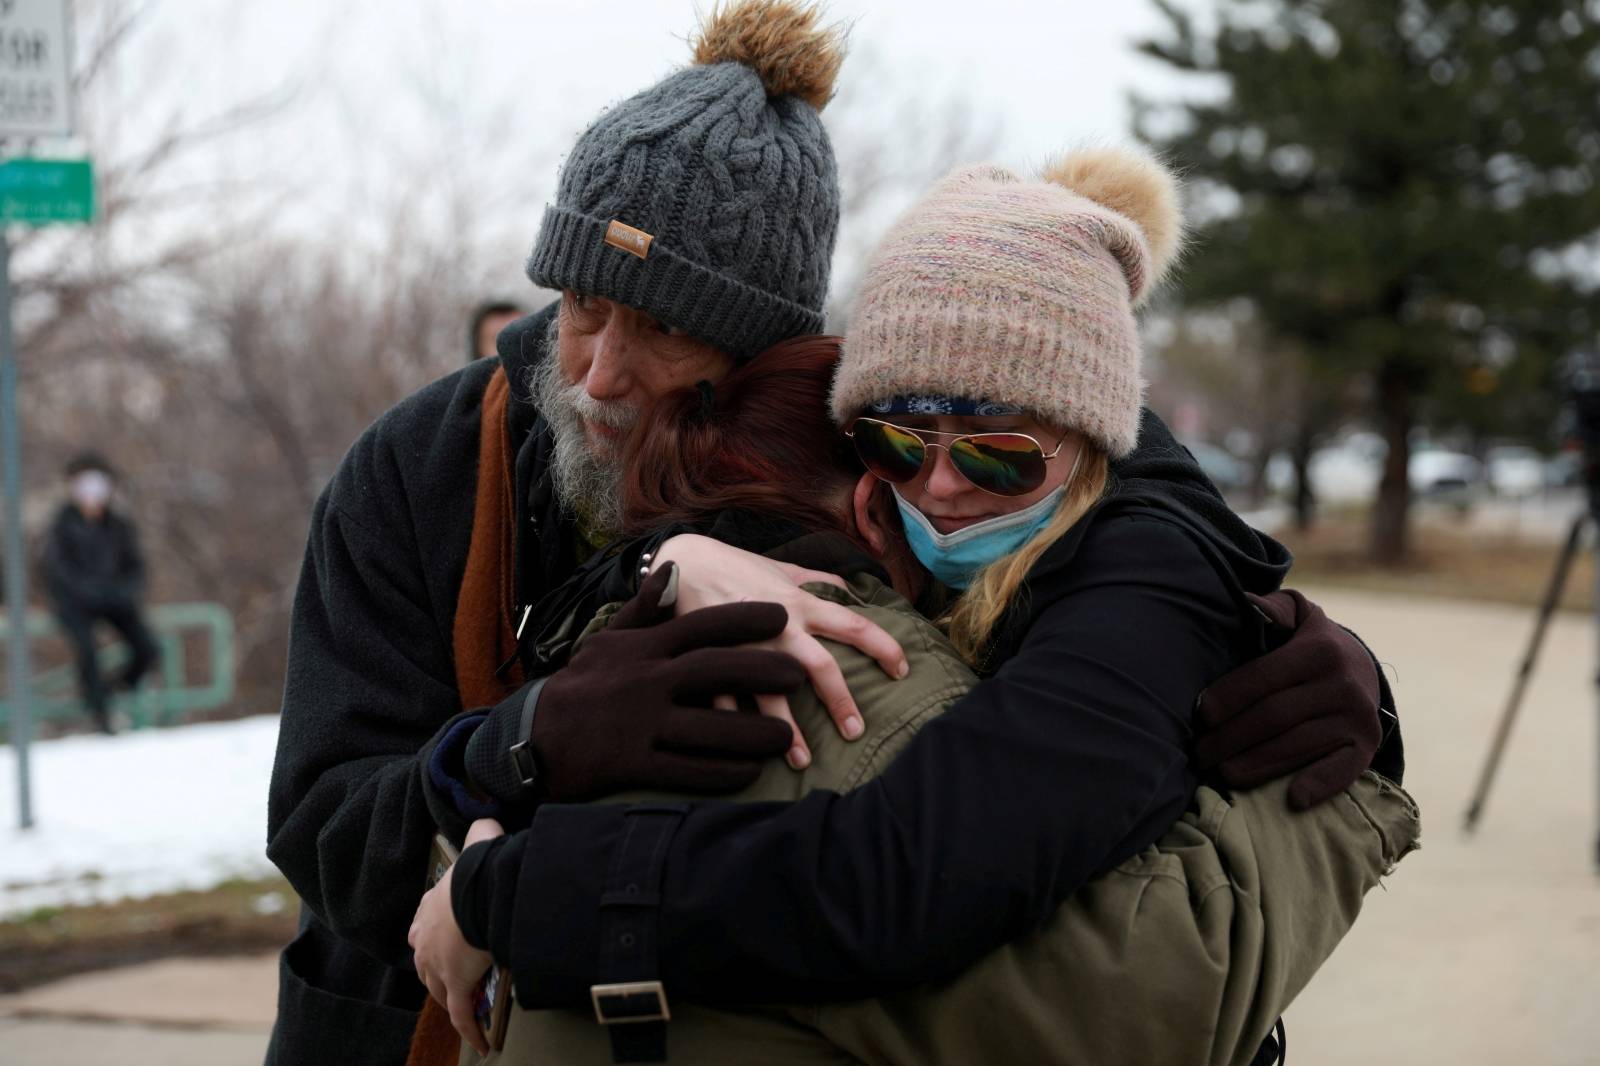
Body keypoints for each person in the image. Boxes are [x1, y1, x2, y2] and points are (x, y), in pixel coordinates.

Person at [267, 5, 1389, 1064]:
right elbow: (318, 823)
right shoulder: (417, 469)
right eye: (581, 306)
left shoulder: (867, 445)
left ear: (766, 357)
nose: (601, 370)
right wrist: (522, 743)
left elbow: (1074, 430)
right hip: (392, 1027)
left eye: (659, 329)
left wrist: (1262, 621)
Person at [424, 336, 1416, 1066]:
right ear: (867, 496)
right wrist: (1356, 769)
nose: (944, 490)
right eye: (905, 451)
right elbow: (1154, 990)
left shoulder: (603, 660)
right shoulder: (858, 672)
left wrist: (492, 761)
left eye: (995, 457)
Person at [40, 452, 159, 735]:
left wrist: (121, 591)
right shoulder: (60, 525)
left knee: (148, 648)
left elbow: (136, 566)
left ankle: (112, 690)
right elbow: (58, 569)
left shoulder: (119, 525)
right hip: (76, 604)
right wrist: (88, 591)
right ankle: (100, 711)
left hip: (114, 600)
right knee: (87, 650)